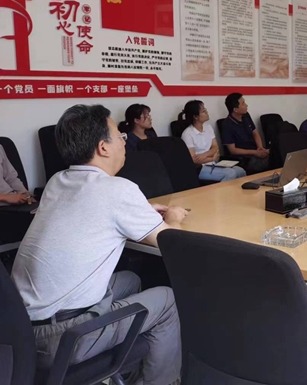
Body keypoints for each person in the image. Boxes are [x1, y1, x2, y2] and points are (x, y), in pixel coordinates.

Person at [11, 104, 187, 385]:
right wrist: (174, 217)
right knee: (167, 300)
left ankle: (121, 367)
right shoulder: (117, 190)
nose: (124, 142)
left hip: (18, 326)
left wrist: (138, 209)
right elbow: (170, 243)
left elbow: (87, 214)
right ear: (103, 147)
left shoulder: (58, 181)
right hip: (61, 338)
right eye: (120, 136)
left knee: (130, 280)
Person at [179, 100, 246, 182]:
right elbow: (194, 160)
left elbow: (215, 147)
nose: (207, 112)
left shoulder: (208, 127)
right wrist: (212, 158)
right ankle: (221, 191)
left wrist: (204, 155)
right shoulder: (187, 134)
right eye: (203, 111)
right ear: (196, 117)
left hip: (213, 163)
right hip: (200, 168)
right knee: (230, 173)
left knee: (240, 171)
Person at [0, 144, 37, 252]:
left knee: (49, 215)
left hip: (14, 202)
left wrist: (25, 194)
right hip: (4, 204)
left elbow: (11, 177)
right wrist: (5, 197)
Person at [221, 93, 269, 173]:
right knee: (271, 160)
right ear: (235, 109)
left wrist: (260, 148)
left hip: (255, 150)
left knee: (277, 153)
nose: (246, 105)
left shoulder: (246, 115)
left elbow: (255, 133)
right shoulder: (227, 125)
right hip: (244, 158)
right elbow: (233, 150)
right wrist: (255, 153)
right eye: (243, 103)